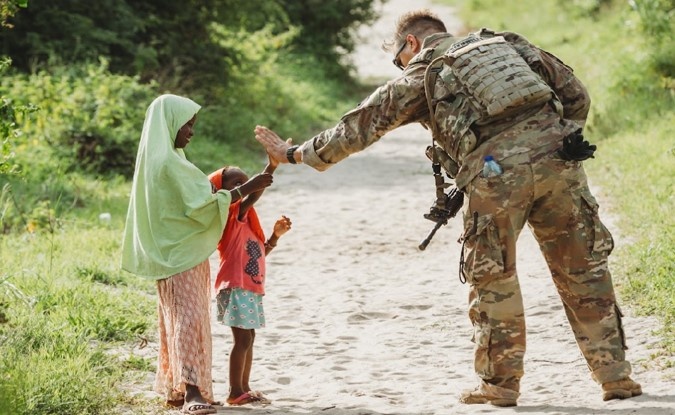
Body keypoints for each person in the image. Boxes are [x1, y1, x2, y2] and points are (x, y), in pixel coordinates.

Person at [253, 9, 641, 408]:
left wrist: (296, 153)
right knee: (583, 268)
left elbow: (358, 128)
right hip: (561, 163)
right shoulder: (507, 43)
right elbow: (576, 95)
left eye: (398, 57)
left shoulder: (423, 73)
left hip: (495, 177)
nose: (400, 65)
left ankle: (500, 385)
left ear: (412, 43)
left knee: (494, 278)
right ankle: (616, 377)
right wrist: (555, 140)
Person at [121, 94, 273, 415]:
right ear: (171, 123)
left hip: (182, 252)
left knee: (183, 320)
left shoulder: (169, 159)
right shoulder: (167, 163)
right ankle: (191, 393)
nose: (191, 131)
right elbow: (202, 205)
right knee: (187, 321)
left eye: (193, 124)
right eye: (187, 124)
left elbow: (197, 202)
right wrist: (246, 188)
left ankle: (185, 388)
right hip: (178, 255)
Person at [208, 160, 292, 406]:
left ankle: (243, 388)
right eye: (237, 184)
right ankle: (235, 391)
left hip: (249, 287)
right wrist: (271, 166)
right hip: (235, 286)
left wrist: (275, 236)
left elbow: (258, 255)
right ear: (222, 192)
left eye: (245, 182)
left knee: (249, 338)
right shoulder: (232, 215)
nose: (244, 187)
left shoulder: (248, 224)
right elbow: (251, 197)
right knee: (242, 340)